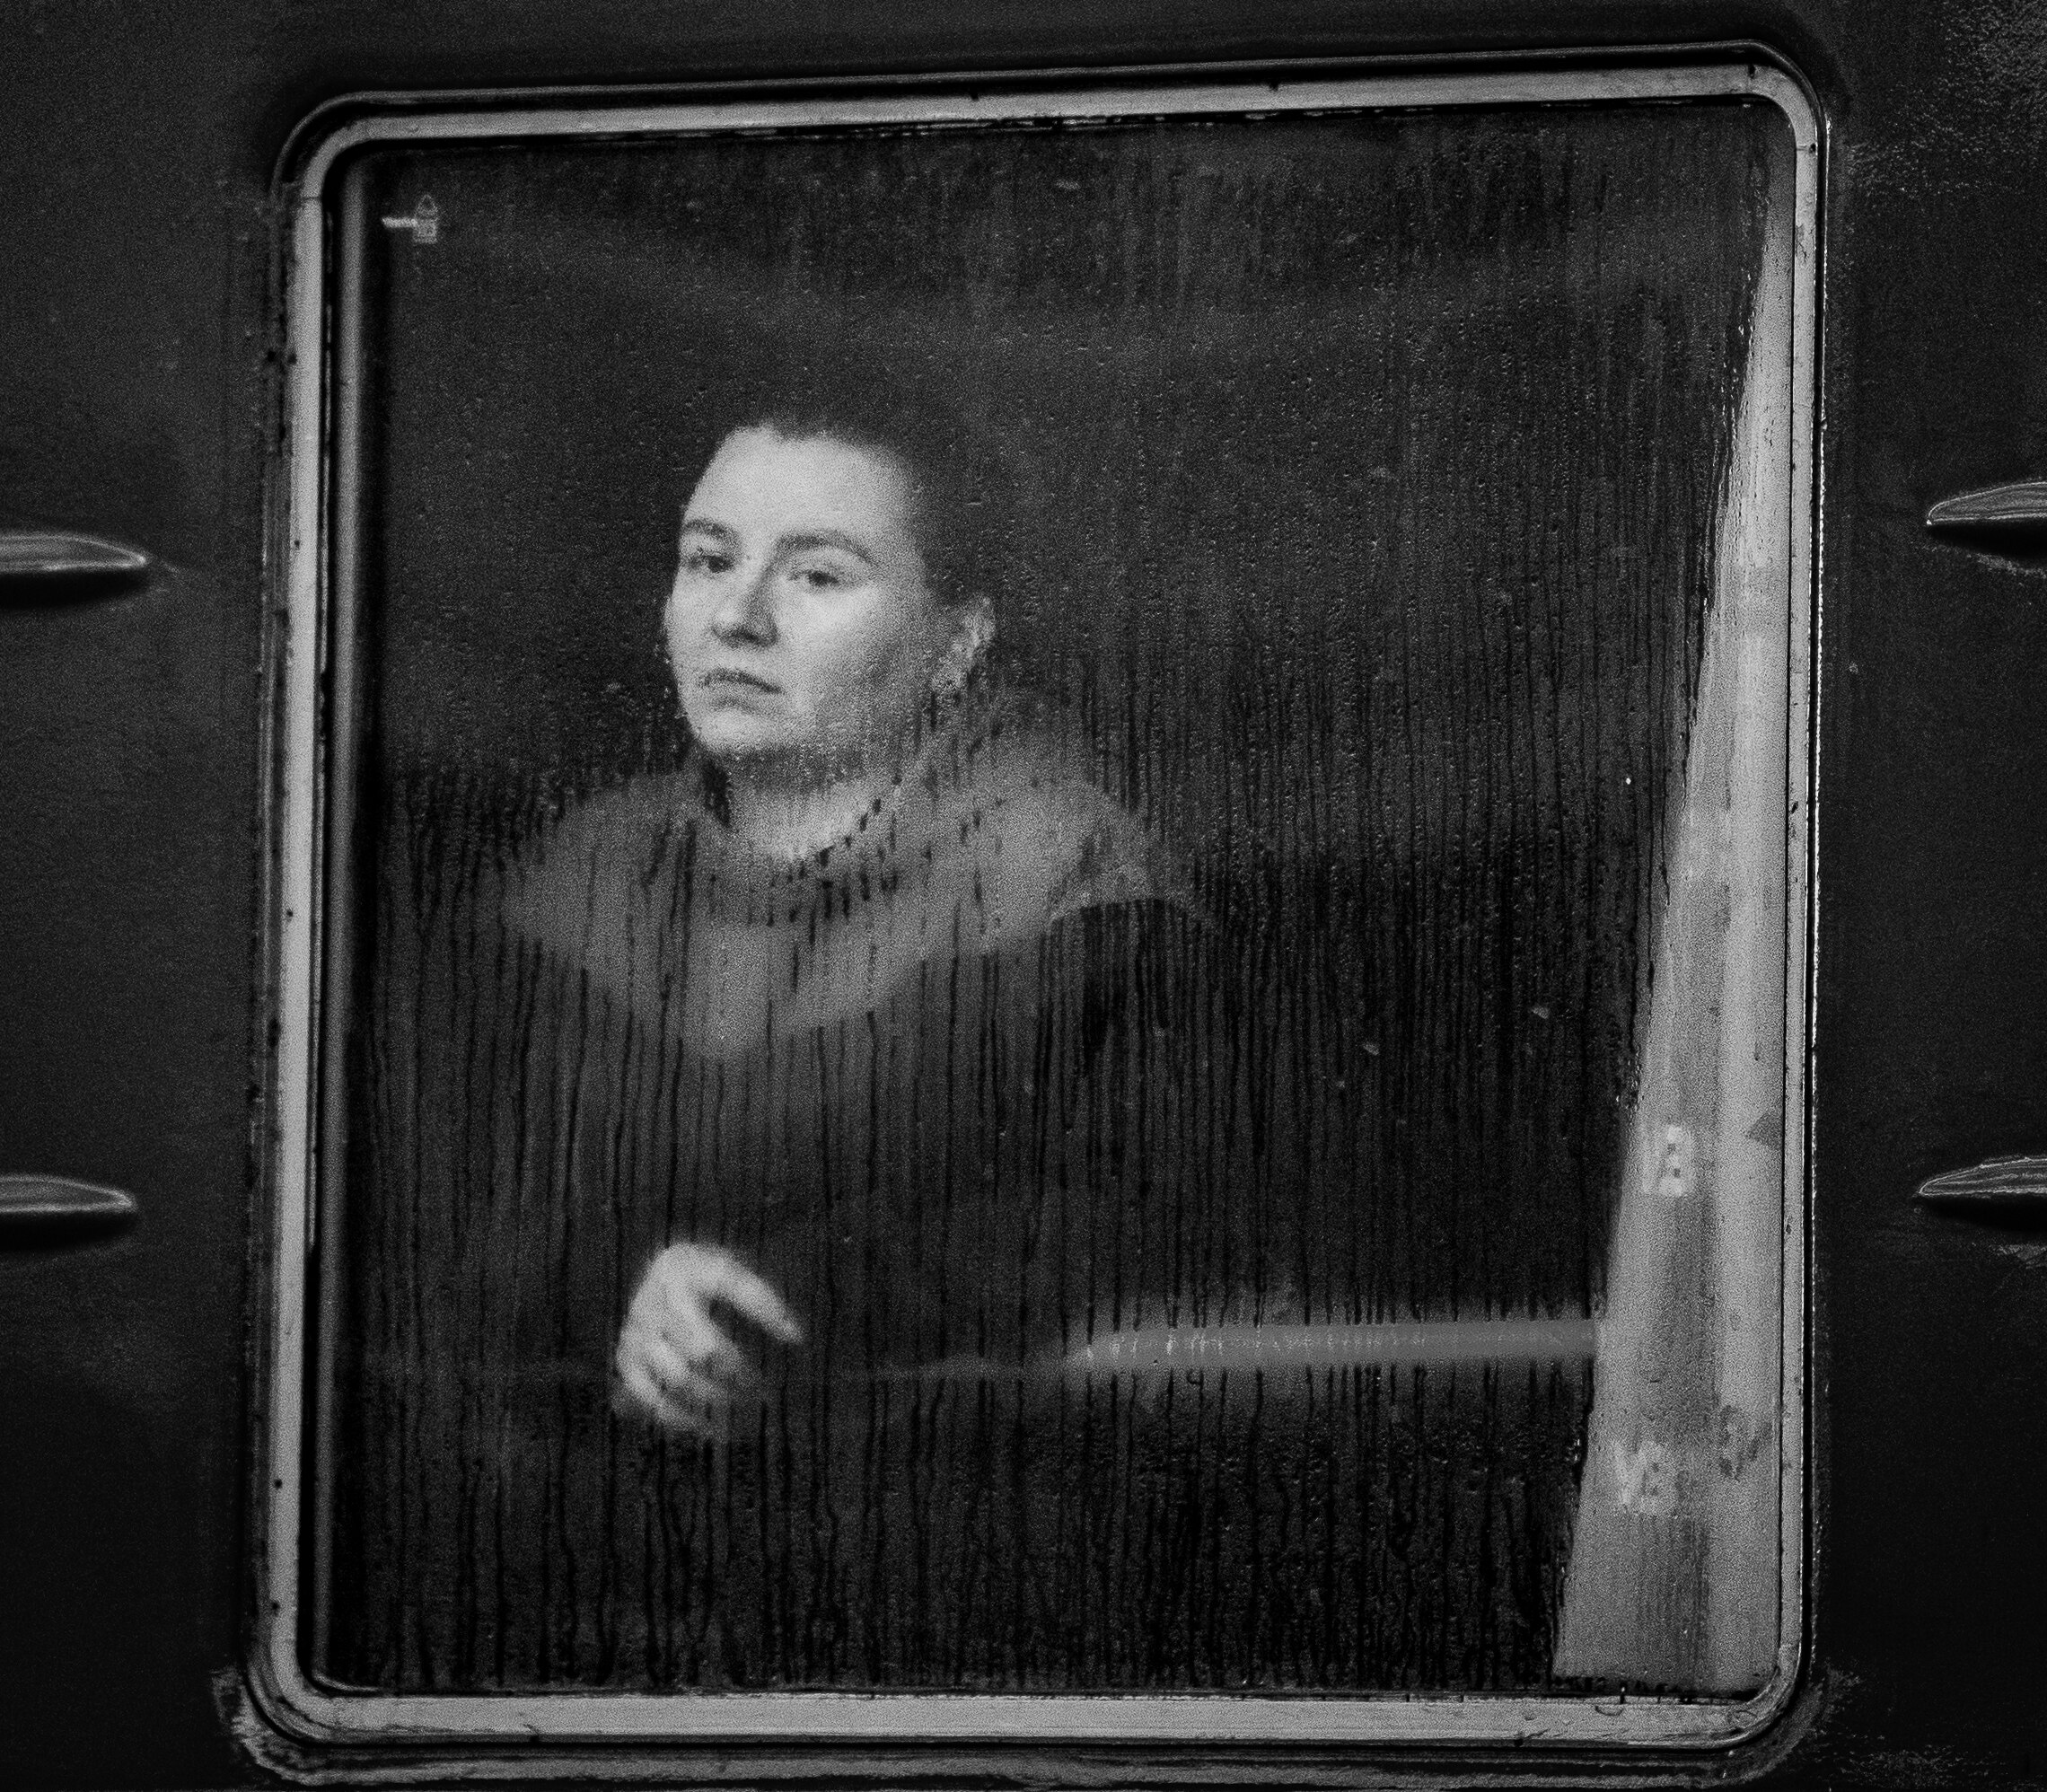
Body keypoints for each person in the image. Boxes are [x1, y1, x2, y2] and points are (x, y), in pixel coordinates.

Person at [502, 377, 1201, 1443]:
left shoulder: (1070, 871)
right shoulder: (583, 872)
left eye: (817, 574)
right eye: (708, 560)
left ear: (956, 641)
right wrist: (618, 1293)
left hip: (937, 1481)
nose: (737, 618)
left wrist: (780, 1302)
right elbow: (447, 1219)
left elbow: (1135, 1221)